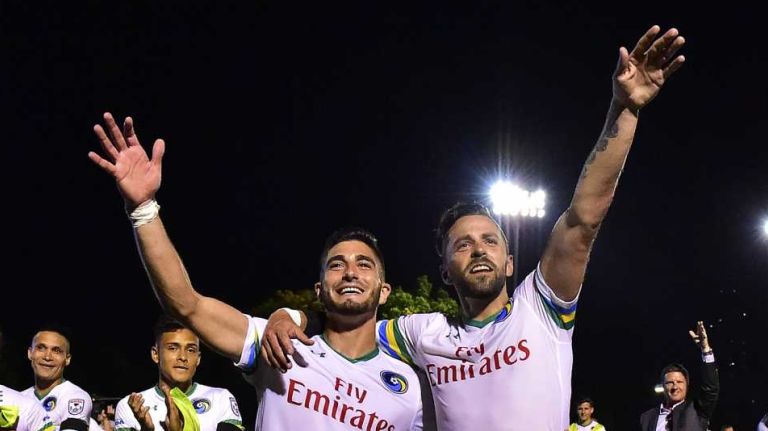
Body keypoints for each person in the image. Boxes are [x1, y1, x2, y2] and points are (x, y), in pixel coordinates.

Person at [261, 24, 687, 431]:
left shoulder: (540, 310)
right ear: (445, 269)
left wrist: (625, 109)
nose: (479, 249)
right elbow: (349, 317)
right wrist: (290, 314)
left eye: (489, 240)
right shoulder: (421, 333)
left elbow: (583, 218)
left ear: (509, 263)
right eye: (462, 244)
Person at [88, 115, 425, 430]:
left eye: (364, 265)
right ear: (320, 289)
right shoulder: (277, 344)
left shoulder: (412, 388)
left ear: (384, 291)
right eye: (337, 264)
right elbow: (187, 305)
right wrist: (143, 210)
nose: (350, 272)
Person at [113, 316, 243, 431]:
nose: (183, 357)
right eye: (173, 348)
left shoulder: (221, 399)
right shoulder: (130, 407)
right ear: (155, 354)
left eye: (191, 349)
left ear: (198, 358)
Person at [639, 321, 719, 431]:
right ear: (663, 386)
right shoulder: (647, 417)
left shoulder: (698, 410)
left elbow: (711, 388)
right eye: (670, 383)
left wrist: (705, 349)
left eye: (680, 382)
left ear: (687, 385)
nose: (675, 387)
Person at [22, 329, 92, 431]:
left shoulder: (76, 397)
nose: (47, 356)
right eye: (41, 348)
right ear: (30, 353)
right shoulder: (19, 397)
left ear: (67, 359)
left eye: (56, 351)